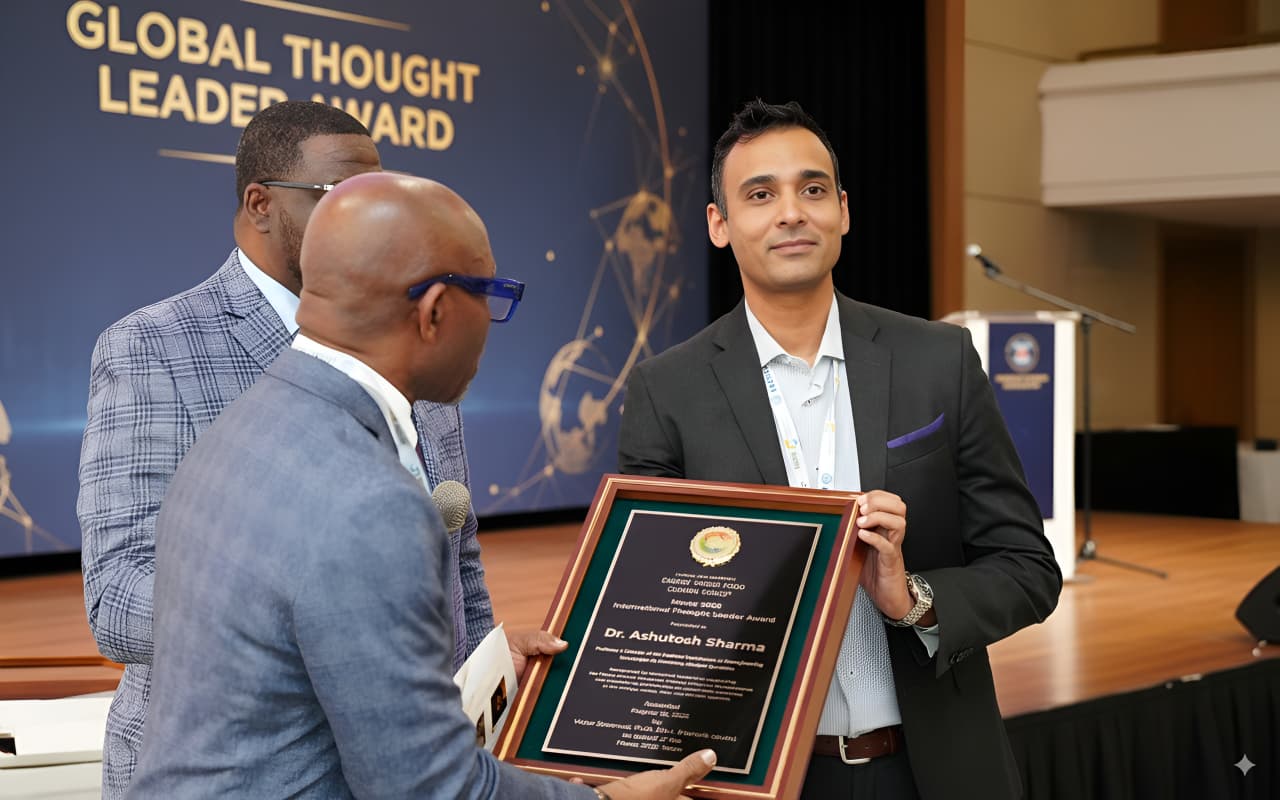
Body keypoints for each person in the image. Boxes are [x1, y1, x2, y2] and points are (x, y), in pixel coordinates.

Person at [127, 171, 717, 798]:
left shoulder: (246, 421)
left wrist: (465, 673)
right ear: (435, 312)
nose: (492, 320)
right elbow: (428, 789)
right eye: (490, 294)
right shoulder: (371, 505)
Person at [77, 101, 558, 797]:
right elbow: (115, 601)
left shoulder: (411, 343)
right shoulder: (152, 347)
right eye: (338, 193)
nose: (364, 212)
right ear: (260, 204)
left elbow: (455, 552)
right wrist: (363, 643)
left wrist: (479, 664)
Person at [618, 99, 1062, 799]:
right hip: (758, 779)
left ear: (843, 211)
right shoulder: (666, 390)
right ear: (718, 224)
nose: (792, 213)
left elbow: (1028, 567)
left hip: (934, 770)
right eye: (760, 195)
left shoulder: (938, 361)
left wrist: (912, 599)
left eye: (813, 189)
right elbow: (649, 607)